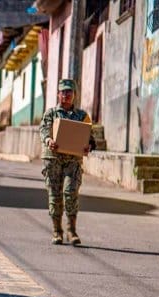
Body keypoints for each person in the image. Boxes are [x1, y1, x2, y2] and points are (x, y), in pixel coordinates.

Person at [39, 78, 95, 245]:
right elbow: (43, 130)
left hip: (73, 160)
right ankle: (57, 231)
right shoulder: (51, 113)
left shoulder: (82, 116)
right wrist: (48, 139)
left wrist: (89, 146)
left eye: (69, 92)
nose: (66, 95)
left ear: (74, 95)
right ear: (58, 94)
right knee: (54, 196)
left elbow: (89, 137)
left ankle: (72, 231)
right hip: (53, 159)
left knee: (71, 193)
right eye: (63, 92)